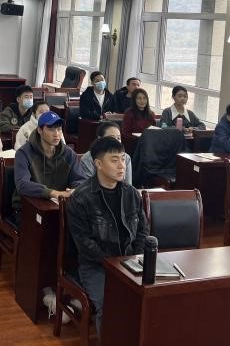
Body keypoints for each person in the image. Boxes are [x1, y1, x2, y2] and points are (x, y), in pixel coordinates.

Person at [67, 136, 149, 333]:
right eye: (114, 160)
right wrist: (114, 264)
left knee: (151, 297)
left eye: (123, 159)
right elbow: (85, 243)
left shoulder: (131, 193)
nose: (121, 165)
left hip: (130, 261)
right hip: (97, 266)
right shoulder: (81, 198)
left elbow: (143, 230)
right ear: (98, 164)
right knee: (111, 303)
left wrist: (135, 257)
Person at [13, 111, 85, 217]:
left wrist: (75, 191)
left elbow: (80, 180)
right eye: (51, 129)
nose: (56, 134)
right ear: (40, 130)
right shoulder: (24, 153)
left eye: (59, 129)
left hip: (59, 207)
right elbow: (22, 184)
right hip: (28, 207)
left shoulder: (69, 154)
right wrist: (53, 193)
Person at [79, 121, 133, 186]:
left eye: (118, 138)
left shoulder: (126, 157)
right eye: (112, 138)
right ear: (100, 139)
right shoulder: (87, 158)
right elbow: (87, 187)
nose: (116, 141)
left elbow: (128, 185)